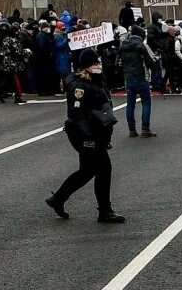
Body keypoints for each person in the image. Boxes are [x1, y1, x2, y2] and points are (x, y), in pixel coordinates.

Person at [46, 48, 125, 224]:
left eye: (98, 62)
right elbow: (77, 114)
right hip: (87, 135)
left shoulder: (96, 80)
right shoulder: (79, 86)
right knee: (103, 169)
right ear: (86, 66)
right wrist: (90, 137)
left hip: (95, 133)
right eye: (95, 63)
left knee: (87, 171)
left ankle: (58, 199)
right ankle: (104, 211)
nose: (99, 65)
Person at [119, 25, 157, 136]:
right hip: (141, 77)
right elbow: (150, 62)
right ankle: (145, 128)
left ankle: (131, 129)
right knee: (146, 102)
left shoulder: (123, 46)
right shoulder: (142, 46)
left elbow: (118, 63)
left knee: (130, 104)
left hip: (129, 78)